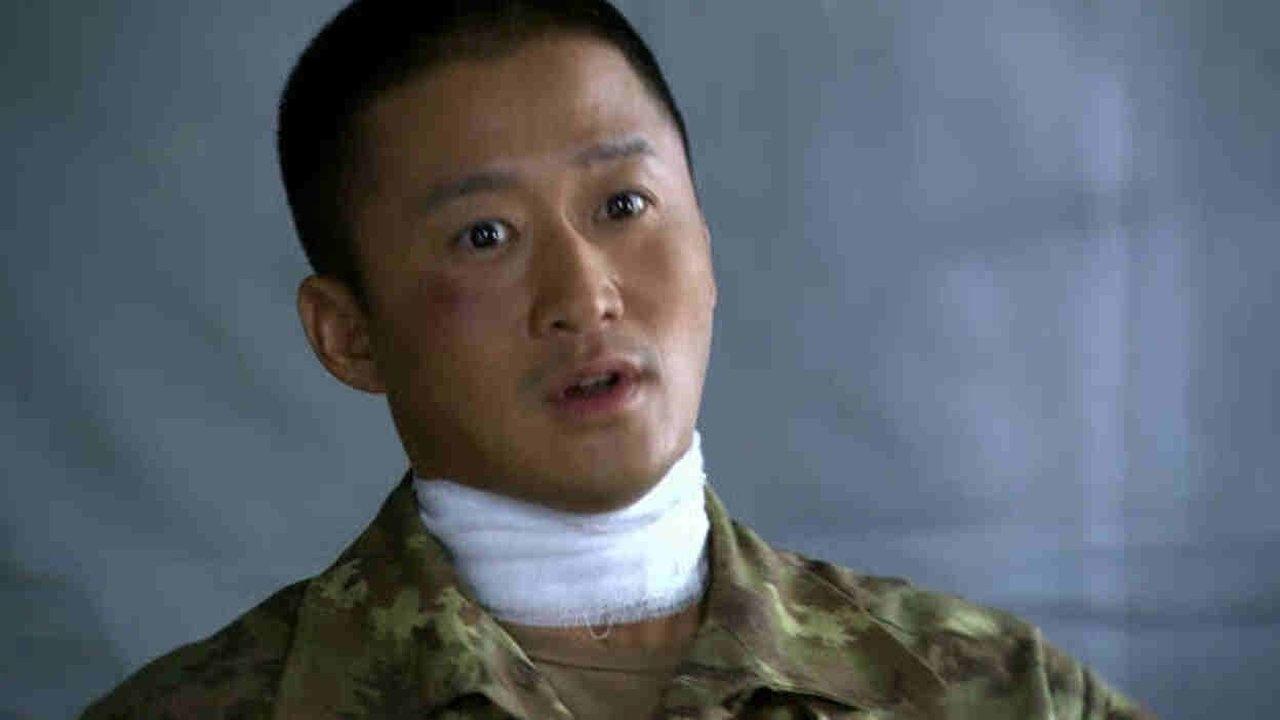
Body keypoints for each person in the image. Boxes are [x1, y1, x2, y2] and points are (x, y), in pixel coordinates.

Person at [81, 1, 1155, 718]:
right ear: (347, 335)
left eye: (624, 205)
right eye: (484, 236)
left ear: (706, 240)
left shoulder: (999, 693)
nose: (584, 293)